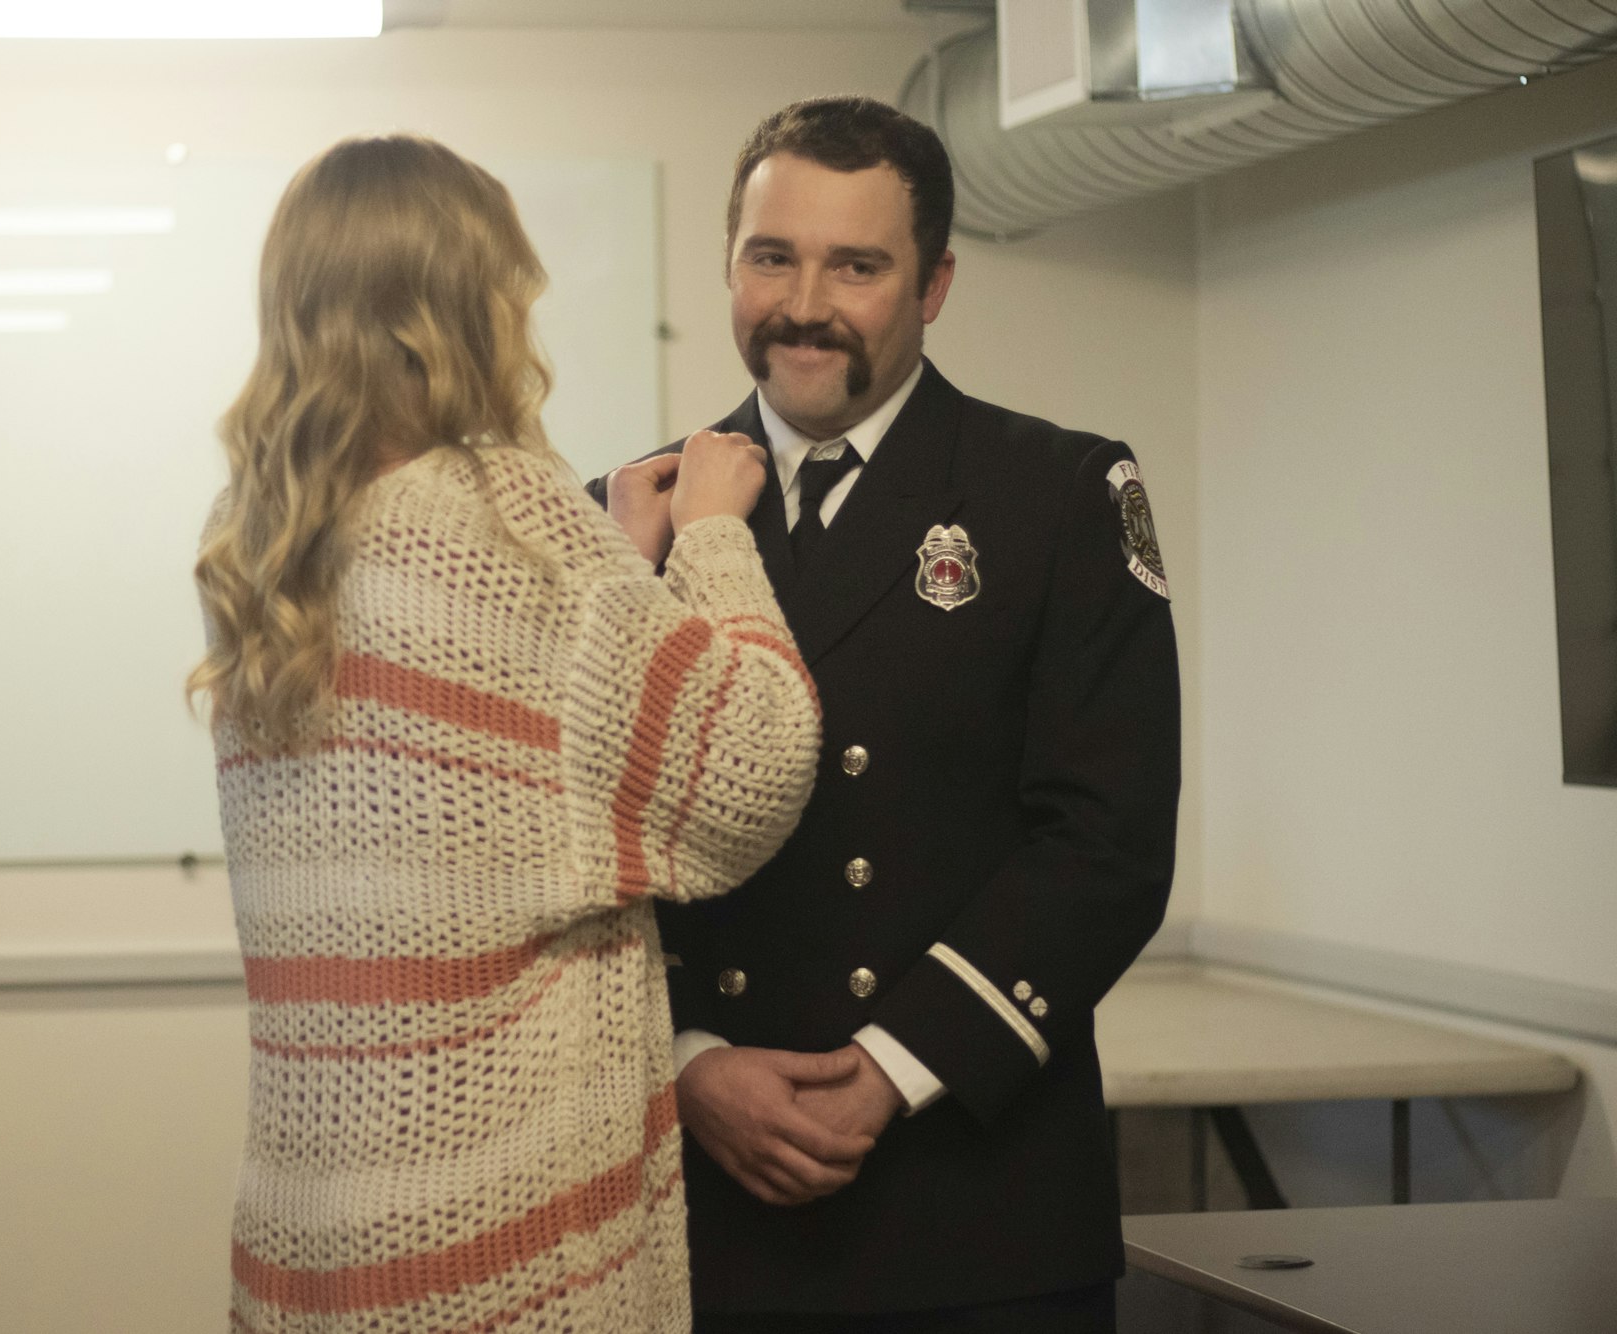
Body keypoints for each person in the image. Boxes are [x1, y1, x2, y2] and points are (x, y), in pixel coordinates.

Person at [187, 134, 839, 1334]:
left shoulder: (266, 550)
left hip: (317, 1245)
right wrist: (707, 537)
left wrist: (618, 574)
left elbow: (477, 794)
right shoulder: (505, 520)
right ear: (465, 309)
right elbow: (750, 768)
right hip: (495, 1246)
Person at [589, 97, 1181, 1332]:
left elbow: (1103, 843)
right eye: (771, 256)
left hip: (971, 1207)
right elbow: (583, 845)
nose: (803, 302)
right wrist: (688, 1060)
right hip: (701, 1217)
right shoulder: (625, 513)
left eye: (855, 264)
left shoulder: (1057, 492)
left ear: (934, 282)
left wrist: (889, 1070)